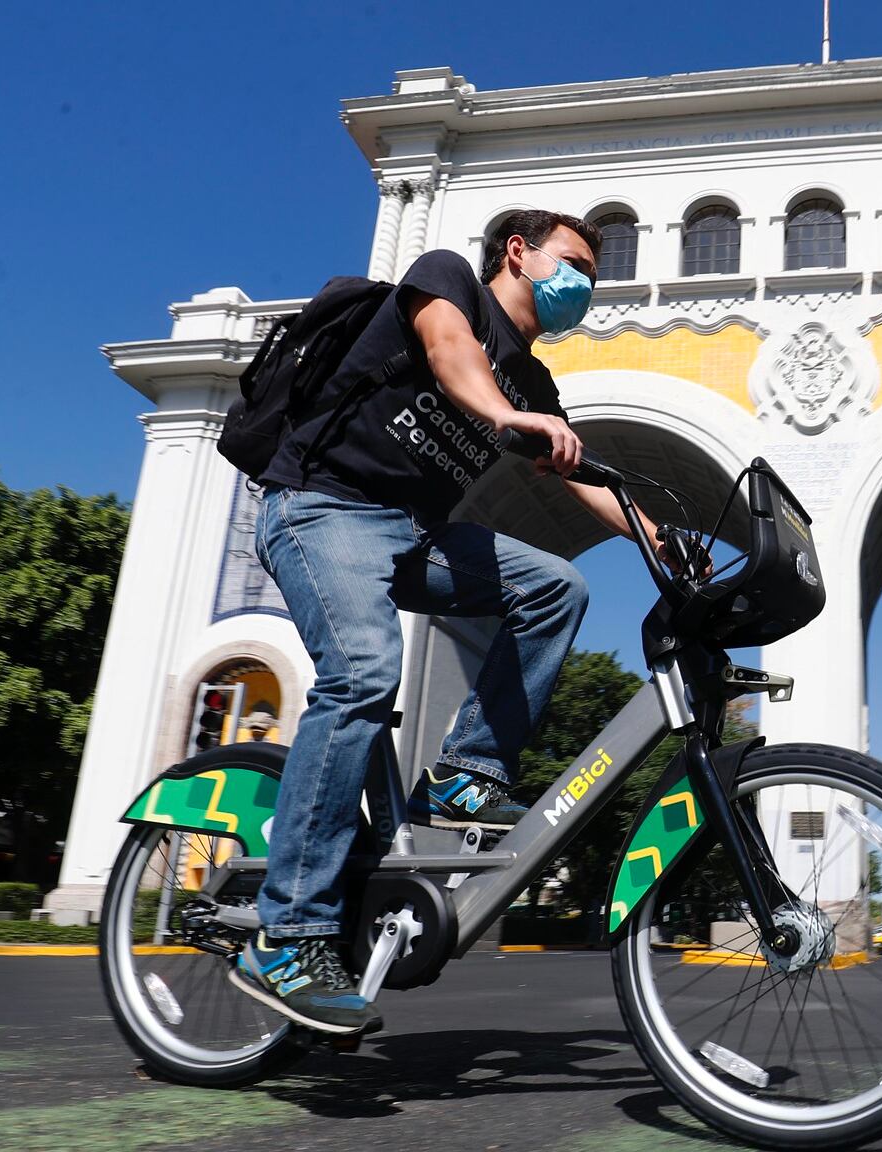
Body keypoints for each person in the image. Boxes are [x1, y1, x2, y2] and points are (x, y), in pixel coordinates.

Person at [229, 210, 677, 1034]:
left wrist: (667, 541)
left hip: (412, 536)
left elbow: (586, 477)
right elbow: (450, 353)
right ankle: (287, 932)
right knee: (364, 670)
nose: (582, 286)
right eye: (572, 262)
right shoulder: (448, 281)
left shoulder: (533, 385)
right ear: (519, 251)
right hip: (321, 509)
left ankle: (467, 773)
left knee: (555, 588)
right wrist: (505, 419)